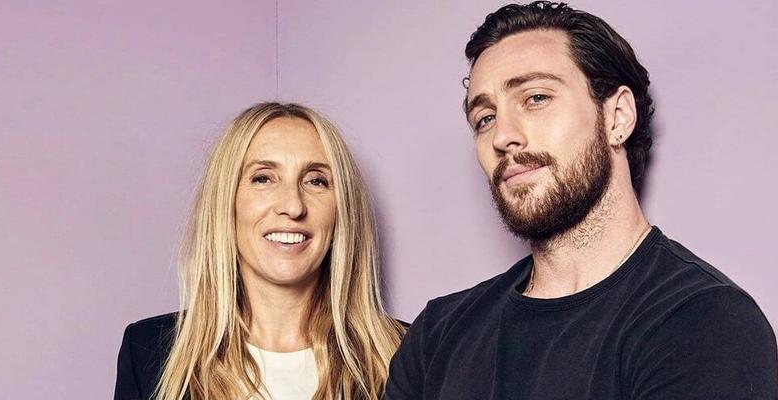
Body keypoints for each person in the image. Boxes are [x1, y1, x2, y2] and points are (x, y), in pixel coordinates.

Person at [384, 2, 778, 399]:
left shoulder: (703, 320)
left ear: (617, 117)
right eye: (484, 118)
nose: (502, 136)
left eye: (535, 98)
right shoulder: (437, 337)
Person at [114, 103, 405, 400]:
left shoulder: (407, 351)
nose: (293, 206)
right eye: (263, 178)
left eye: (316, 180)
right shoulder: (148, 352)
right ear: (226, 201)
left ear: (343, 208)